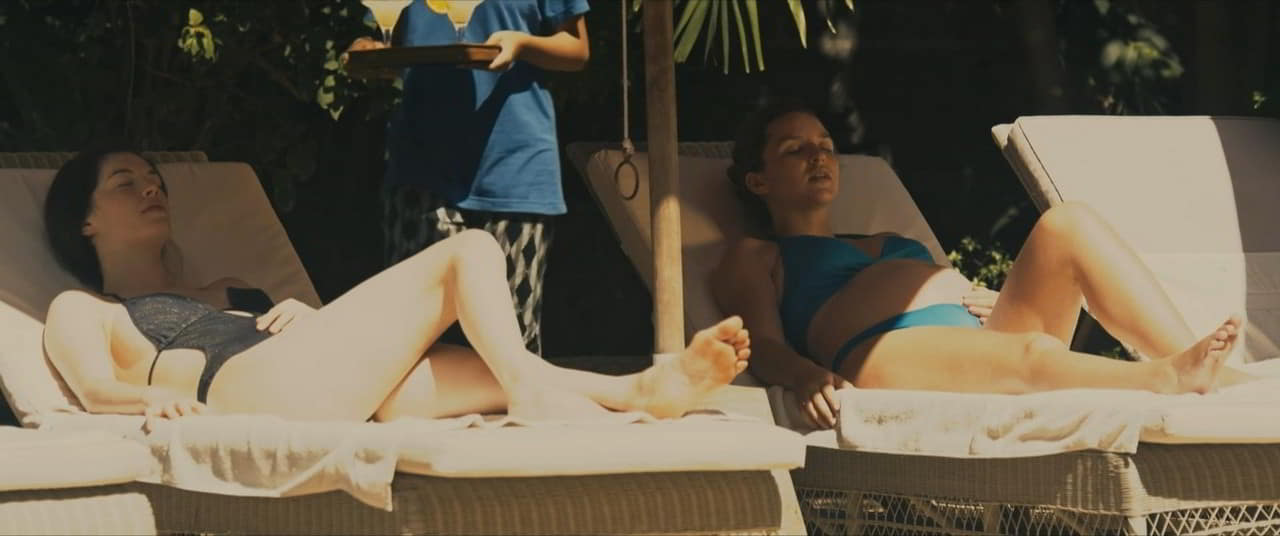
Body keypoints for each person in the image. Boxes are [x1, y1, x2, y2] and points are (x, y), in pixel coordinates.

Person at [41, 148, 750, 429]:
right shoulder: (85, 308)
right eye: (125, 182)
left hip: (320, 387)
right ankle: (535, 391)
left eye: (154, 179)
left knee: (456, 376)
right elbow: (95, 391)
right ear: (85, 221)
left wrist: (310, 316)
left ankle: (638, 391)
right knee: (469, 249)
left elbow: (352, 354)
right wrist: (148, 401)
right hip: (239, 391)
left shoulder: (230, 285)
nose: (151, 188)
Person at [710, 101, 1248, 430]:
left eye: (825, 145)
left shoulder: (885, 239)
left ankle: (1201, 365)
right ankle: (1164, 378)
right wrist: (805, 377)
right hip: (879, 352)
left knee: (1069, 223)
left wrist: (994, 297)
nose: (819, 157)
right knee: (1028, 352)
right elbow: (763, 345)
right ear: (758, 181)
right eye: (795, 149)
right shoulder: (755, 254)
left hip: (977, 338)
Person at [346, 0, 590, 356]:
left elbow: (577, 49)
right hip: (423, 164)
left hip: (515, 165)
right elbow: (396, 46)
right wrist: (368, 53)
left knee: (509, 347)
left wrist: (522, 44)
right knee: (411, 340)